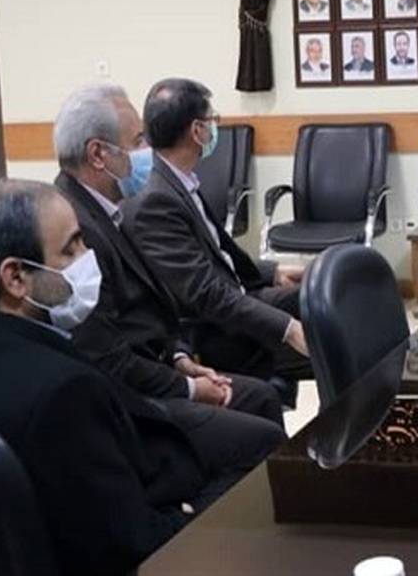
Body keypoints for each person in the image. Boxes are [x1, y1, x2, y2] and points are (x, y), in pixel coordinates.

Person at [0, 180, 277, 575]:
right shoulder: (63, 393)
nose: (88, 258)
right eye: (72, 247)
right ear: (15, 278)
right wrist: (193, 521)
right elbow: (130, 546)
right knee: (261, 457)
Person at [51, 84, 286, 453]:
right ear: (98, 154)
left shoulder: (108, 209)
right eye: (138, 141)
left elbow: (146, 309)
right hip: (130, 401)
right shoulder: (75, 230)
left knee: (260, 397)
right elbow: (105, 356)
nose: (148, 151)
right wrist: (188, 387)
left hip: (163, 361)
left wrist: (179, 358)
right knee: (261, 428)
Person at [122, 78, 311, 389]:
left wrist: (273, 272)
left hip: (238, 301)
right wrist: (288, 328)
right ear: (197, 131)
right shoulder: (155, 202)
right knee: (340, 341)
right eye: (212, 120)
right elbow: (206, 295)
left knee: (329, 292)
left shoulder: (179, 182)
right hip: (219, 332)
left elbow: (217, 254)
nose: (215, 128)